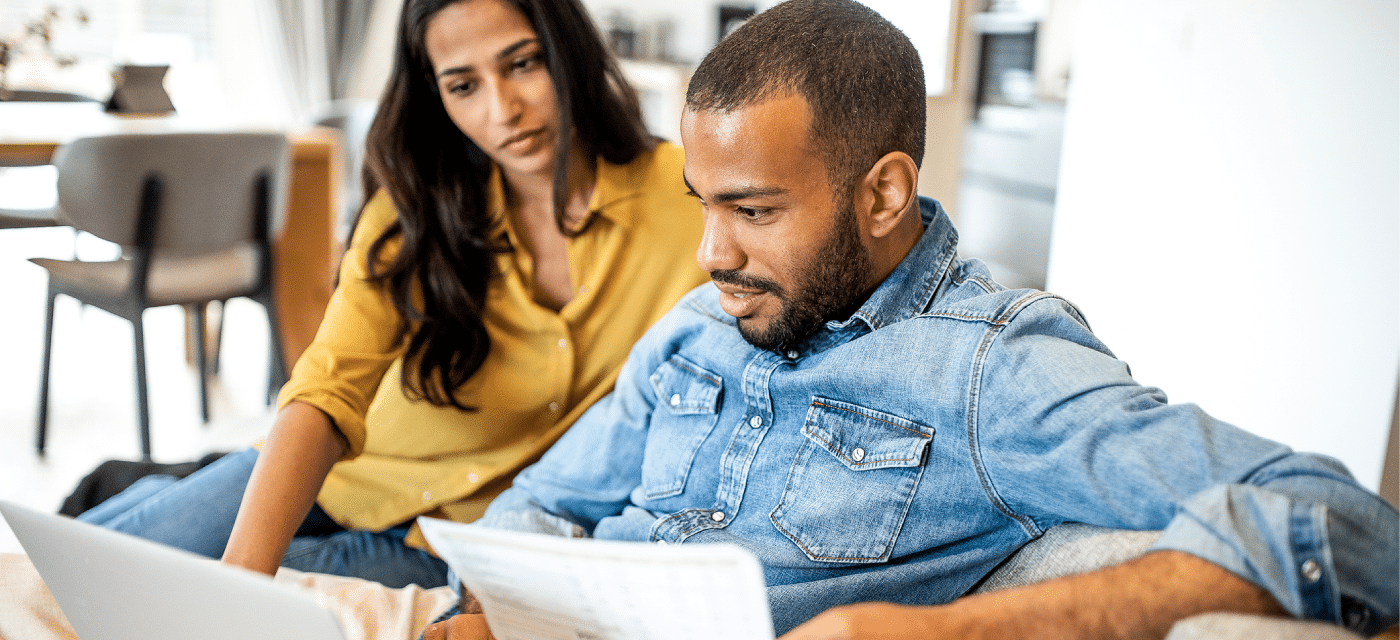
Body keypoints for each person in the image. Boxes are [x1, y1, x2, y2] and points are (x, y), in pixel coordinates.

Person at [420, 0, 1400, 637]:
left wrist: (940, 632)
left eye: (752, 210)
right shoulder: (696, 326)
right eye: (703, 203)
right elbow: (543, 500)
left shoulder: (991, 368)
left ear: (881, 195)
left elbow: (1351, 525)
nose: (707, 253)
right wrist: (488, 605)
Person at [71, 0, 708, 589]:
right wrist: (243, 577)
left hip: (451, 542)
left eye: (524, 63)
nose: (502, 109)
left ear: (567, 49)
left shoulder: (692, 203)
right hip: (333, 475)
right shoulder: (414, 213)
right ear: (438, 97)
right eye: (463, 85)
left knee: (164, 601)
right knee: (81, 573)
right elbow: (327, 387)